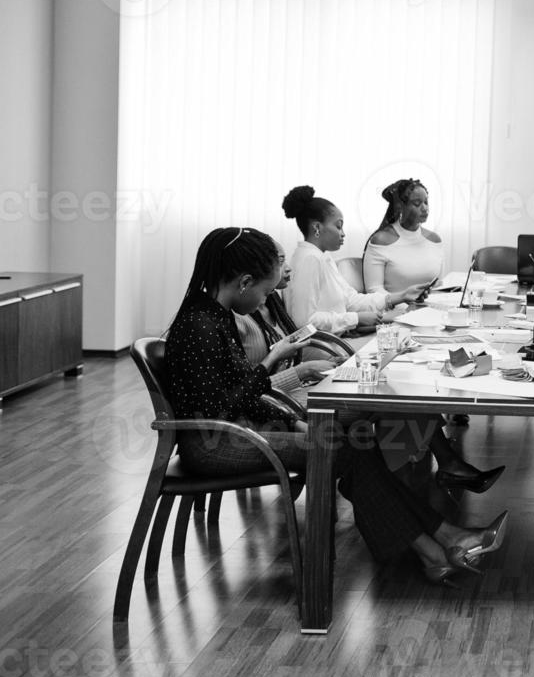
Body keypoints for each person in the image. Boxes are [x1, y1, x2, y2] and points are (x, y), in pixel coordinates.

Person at [164, 227, 508, 584]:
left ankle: (438, 547)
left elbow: (242, 398)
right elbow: (217, 408)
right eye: (265, 292)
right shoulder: (200, 325)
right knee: (349, 448)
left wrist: (292, 421)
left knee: (358, 443)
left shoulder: (214, 316)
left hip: (238, 430)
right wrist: (268, 364)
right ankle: (441, 544)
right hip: (214, 444)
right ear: (244, 282)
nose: (266, 300)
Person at [238, 243, 502, 491]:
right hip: (282, 402)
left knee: (395, 392)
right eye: (280, 261)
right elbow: (251, 387)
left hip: (297, 387)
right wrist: (303, 371)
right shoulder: (240, 317)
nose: (287, 268)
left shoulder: (270, 303)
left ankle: (421, 475)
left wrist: (308, 369)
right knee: (391, 397)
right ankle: (391, 484)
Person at [282, 185, 428, 335]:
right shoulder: (309, 259)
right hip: (320, 348)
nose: (343, 233)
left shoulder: (322, 256)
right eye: (338, 227)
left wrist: (401, 296)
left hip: (334, 341)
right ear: (317, 228)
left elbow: (350, 299)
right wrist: (355, 319)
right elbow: (304, 322)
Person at [363, 178, 445, 295]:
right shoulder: (381, 241)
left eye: (426, 202)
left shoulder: (435, 240)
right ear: (400, 206)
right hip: (396, 310)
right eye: (417, 203)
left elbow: (439, 286)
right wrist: (403, 300)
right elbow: (374, 290)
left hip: (430, 310)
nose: (424, 208)